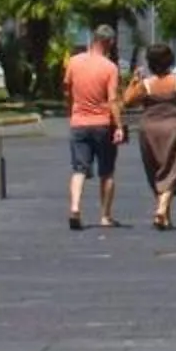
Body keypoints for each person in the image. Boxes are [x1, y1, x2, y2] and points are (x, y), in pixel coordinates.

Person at [121, 43, 176, 230]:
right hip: (174, 128)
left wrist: (133, 81)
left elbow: (126, 101)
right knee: (175, 168)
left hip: (149, 130)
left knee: (156, 168)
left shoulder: (146, 84)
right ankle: (162, 207)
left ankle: (164, 216)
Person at [62, 26, 123, 232]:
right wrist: (119, 126)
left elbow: (67, 91)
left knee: (79, 169)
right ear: (109, 42)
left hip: (79, 122)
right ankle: (105, 216)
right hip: (102, 124)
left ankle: (75, 207)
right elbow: (113, 99)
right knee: (106, 171)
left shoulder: (74, 62)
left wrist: (72, 111)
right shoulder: (110, 68)